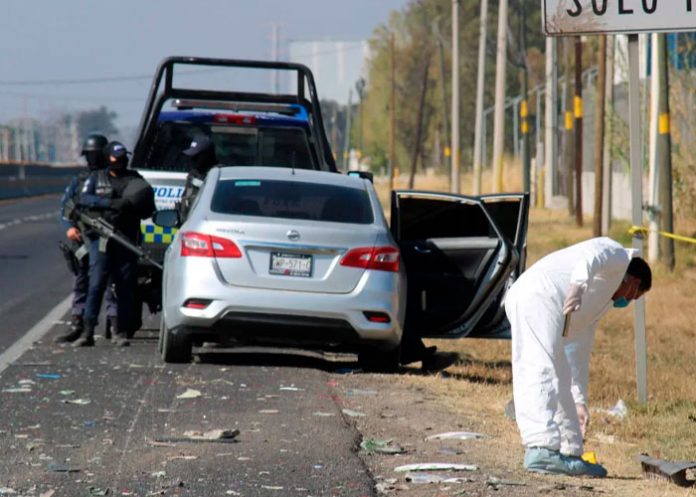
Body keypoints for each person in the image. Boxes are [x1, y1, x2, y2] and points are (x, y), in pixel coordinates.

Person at [504, 237, 652, 477]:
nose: (627, 301)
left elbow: (578, 355)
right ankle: (541, 448)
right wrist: (578, 286)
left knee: (561, 375)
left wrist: (580, 402)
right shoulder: (618, 254)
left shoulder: (596, 304)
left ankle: (570, 450)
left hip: (545, 302)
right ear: (634, 283)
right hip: (540, 295)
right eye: (633, 296)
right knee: (540, 368)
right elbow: (592, 255)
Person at [73, 141, 156, 347]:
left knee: (124, 285)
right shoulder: (95, 178)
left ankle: (121, 331)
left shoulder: (135, 180)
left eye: (121, 159)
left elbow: (148, 208)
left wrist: (128, 206)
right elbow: (83, 200)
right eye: (115, 159)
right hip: (99, 238)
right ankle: (88, 331)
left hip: (125, 238)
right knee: (96, 284)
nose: (119, 163)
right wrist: (109, 204)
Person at [55, 133, 118, 343]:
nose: (92, 159)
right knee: (81, 282)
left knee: (109, 283)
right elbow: (66, 208)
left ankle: (115, 324)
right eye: (89, 156)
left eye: (96, 155)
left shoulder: (112, 178)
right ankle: (78, 322)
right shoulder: (79, 181)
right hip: (82, 239)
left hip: (106, 240)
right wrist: (70, 228)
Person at [177, 134, 218, 221]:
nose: (192, 160)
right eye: (191, 156)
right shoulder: (193, 174)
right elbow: (186, 199)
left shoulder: (219, 176)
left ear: (207, 155)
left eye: (196, 157)